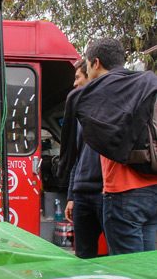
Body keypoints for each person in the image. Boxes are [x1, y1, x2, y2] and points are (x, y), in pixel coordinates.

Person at [59, 38, 157, 255]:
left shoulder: (98, 94)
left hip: (122, 191)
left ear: (95, 63)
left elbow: (73, 149)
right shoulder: (147, 83)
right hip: (152, 188)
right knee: (148, 267)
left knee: (127, 270)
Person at [64, 60, 104, 258]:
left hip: (106, 193)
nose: (75, 83)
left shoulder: (111, 108)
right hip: (81, 195)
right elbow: (76, 157)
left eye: (78, 77)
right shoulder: (80, 114)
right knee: (82, 254)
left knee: (118, 254)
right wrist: (71, 196)